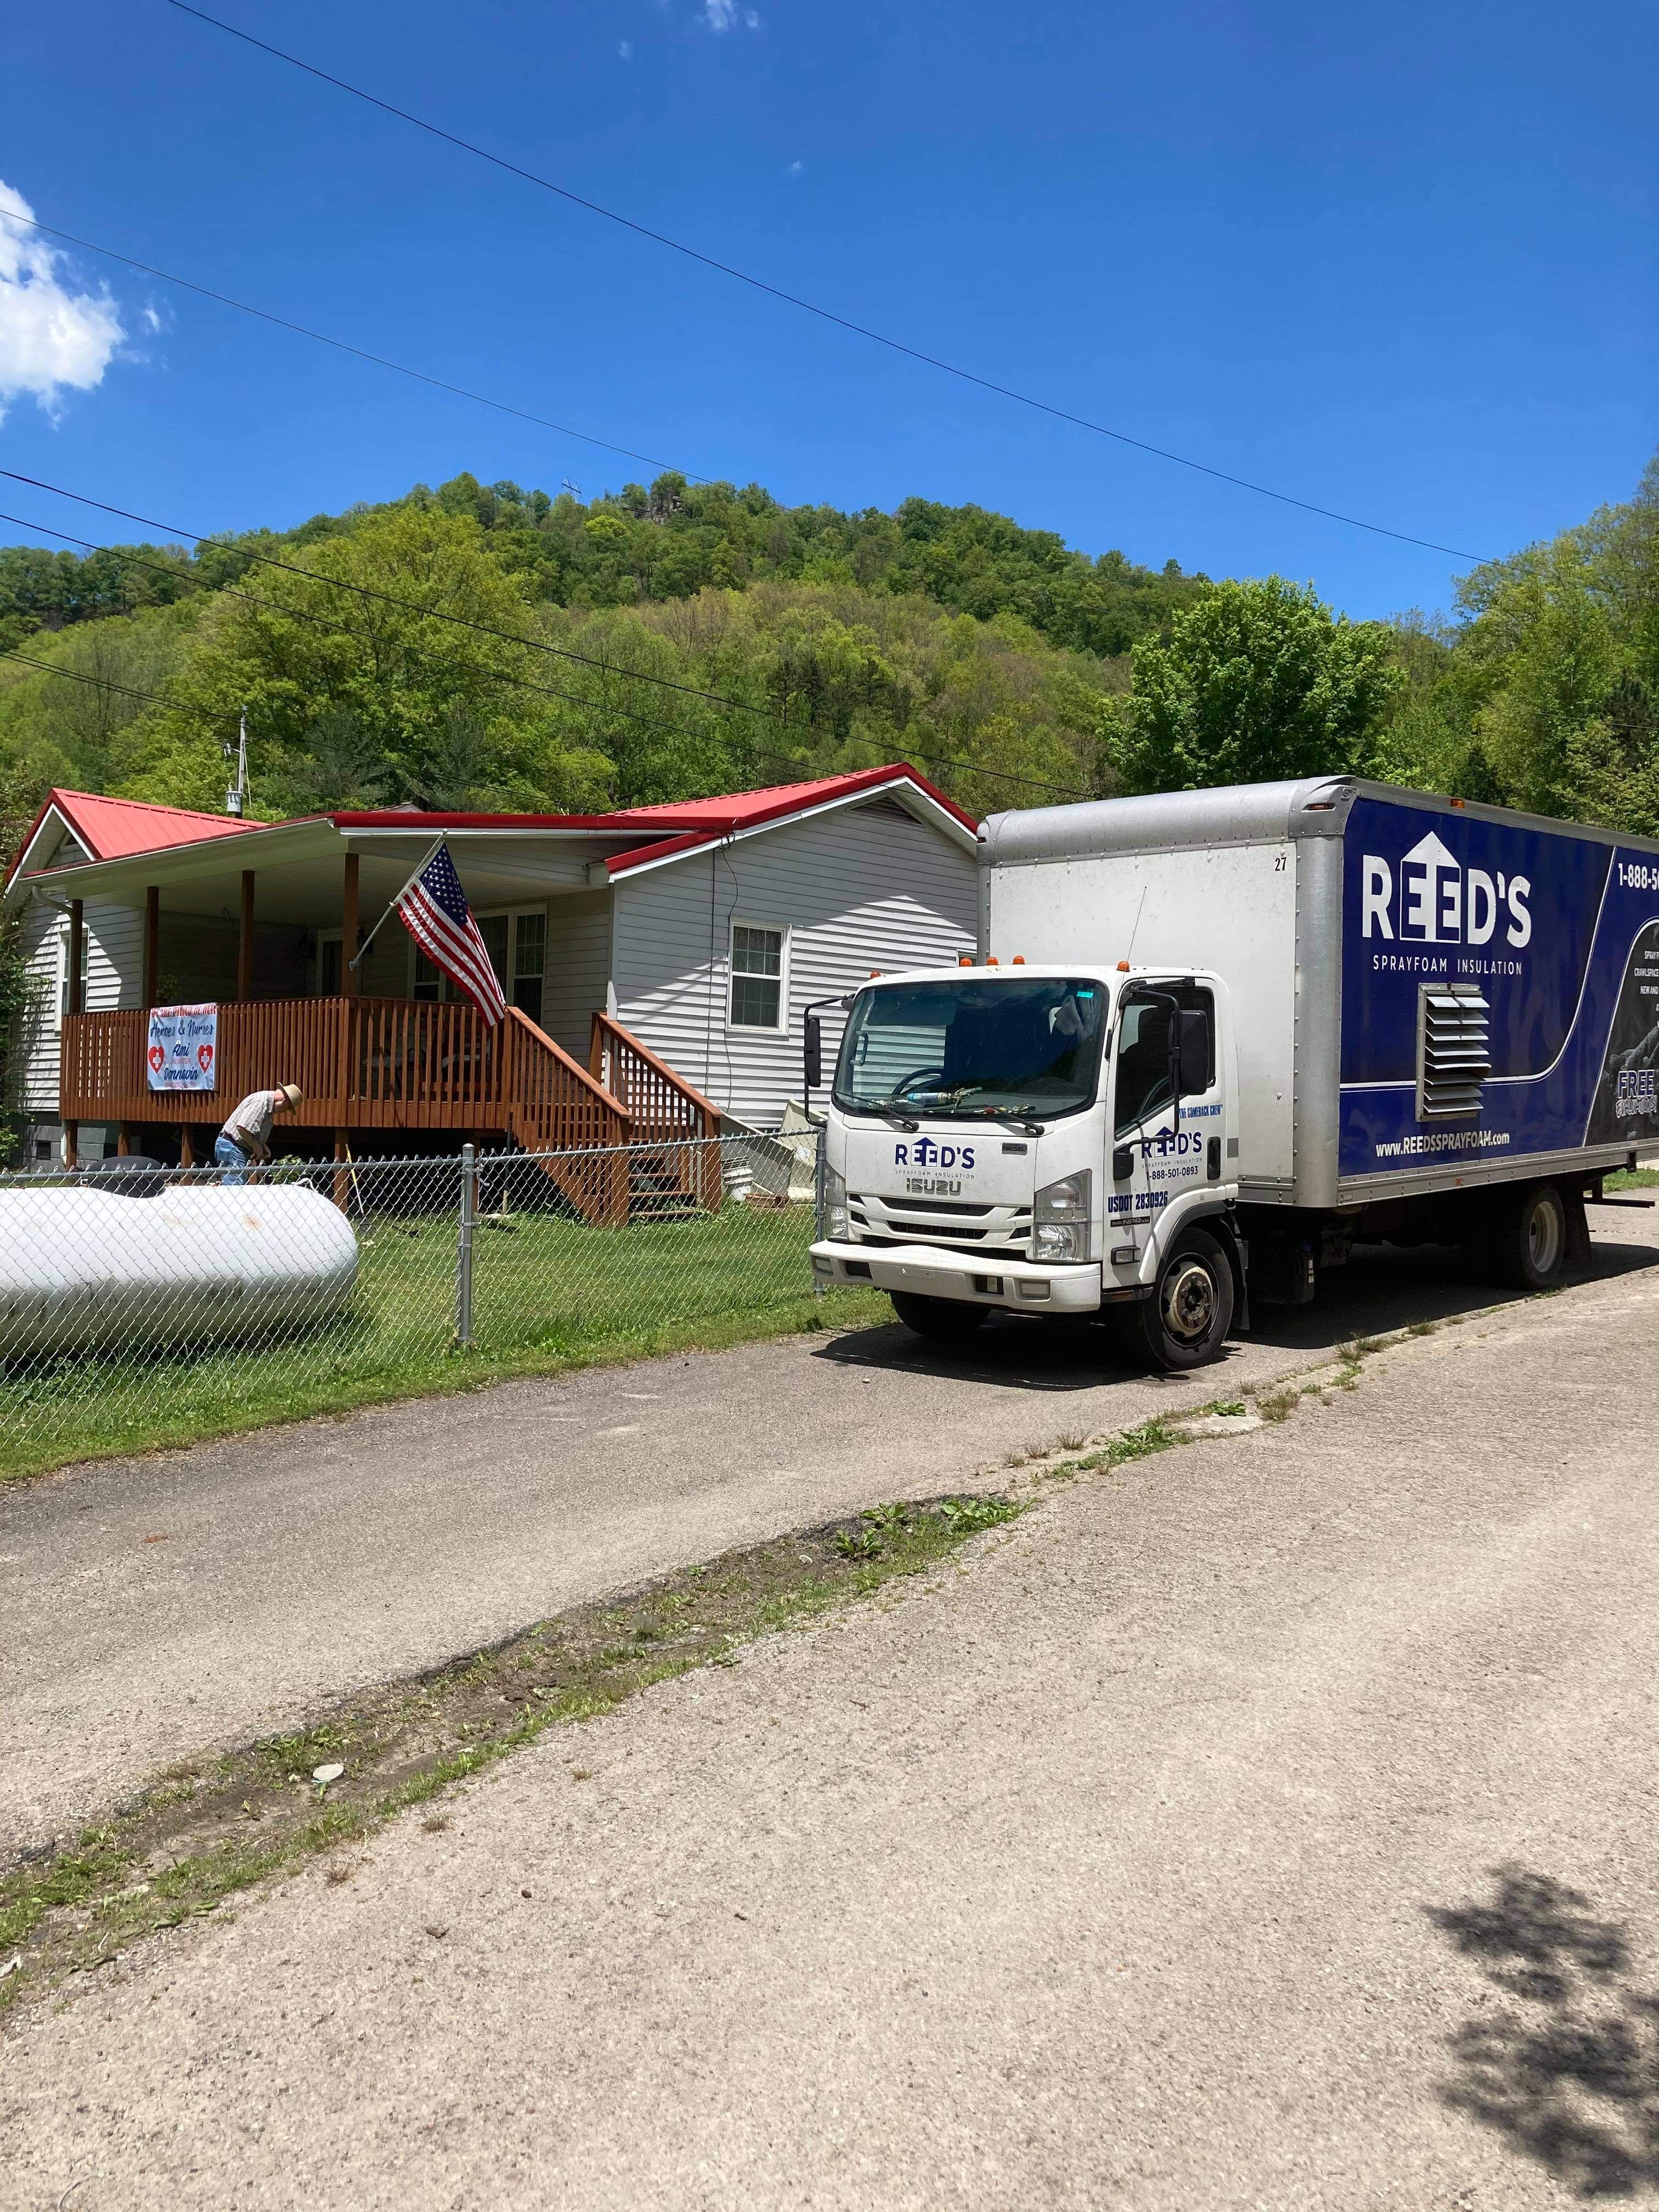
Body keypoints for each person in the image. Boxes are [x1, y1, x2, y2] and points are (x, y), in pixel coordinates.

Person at [216, 1084, 303, 1183]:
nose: (284, 1112)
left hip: (235, 1148)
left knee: (235, 1188)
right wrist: (256, 1147)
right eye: (287, 1108)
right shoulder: (261, 1103)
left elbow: (251, 1131)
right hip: (233, 1148)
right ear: (284, 1101)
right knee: (235, 1191)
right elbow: (242, 1128)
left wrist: (262, 1146)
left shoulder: (268, 1109)